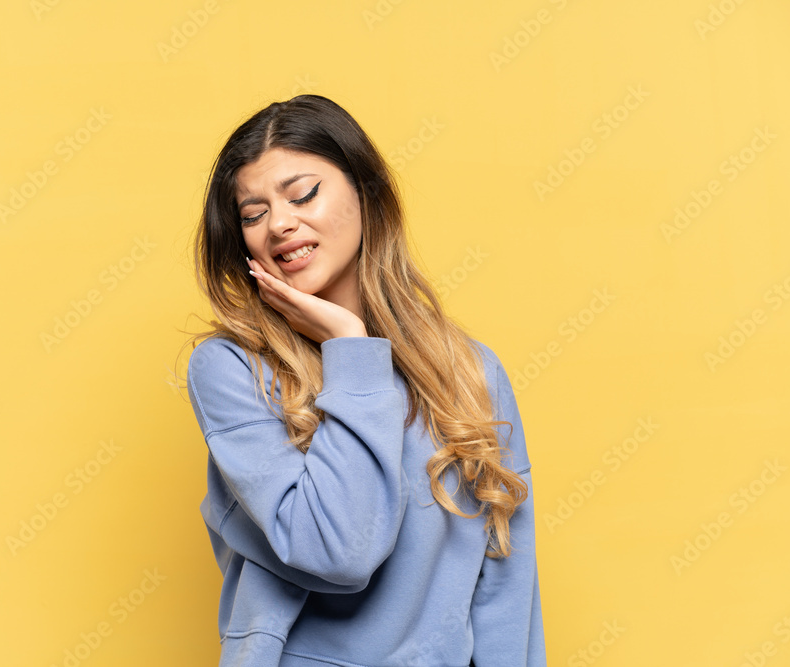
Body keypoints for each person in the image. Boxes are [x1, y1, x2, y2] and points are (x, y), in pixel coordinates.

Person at [181, 94, 546, 666]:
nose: (280, 223)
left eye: (302, 194)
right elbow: (338, 552)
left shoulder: (471, 370)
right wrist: (350, 350)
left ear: (367, 194)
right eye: (252, 214)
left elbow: (505, 587)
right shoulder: (231, 370)